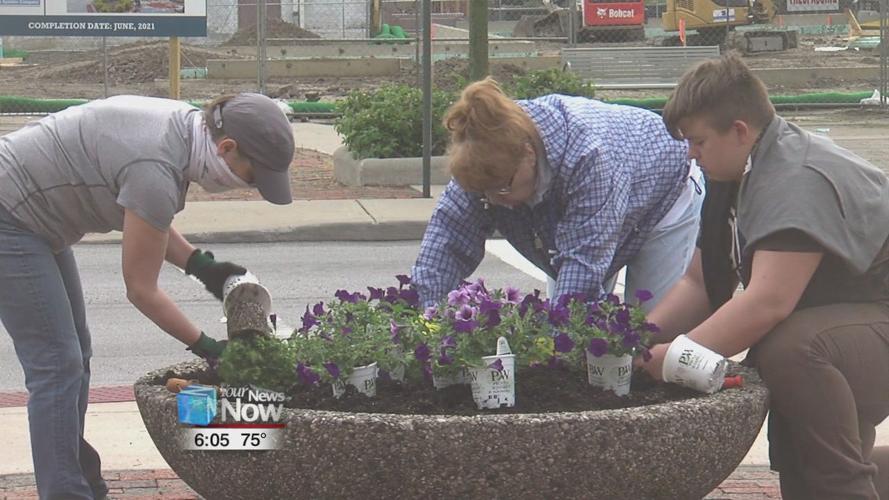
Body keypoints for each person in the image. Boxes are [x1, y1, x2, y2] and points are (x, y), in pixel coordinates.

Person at [0, 92, 295, 499]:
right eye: (253, 177)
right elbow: (141, 289)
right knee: (56, 364)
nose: (252, 187)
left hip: (32, 215)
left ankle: (78, 477)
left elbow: (146, 217)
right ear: (226, 147)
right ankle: (66, 492)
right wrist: (210, 348)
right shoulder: (157, 166)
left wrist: (204, 268)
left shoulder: (184, 131)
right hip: (10, 216)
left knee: (74, 355)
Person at [638, 53, 889, 499]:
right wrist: (634, 341)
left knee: (792, 349)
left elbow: (767, 303)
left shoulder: (793, 179)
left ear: (739, 131)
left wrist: (675, 356)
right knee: (803, 467)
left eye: (698, 141)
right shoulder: (735, 173)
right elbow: (699, 284)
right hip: (860, 317)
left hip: (870, 319)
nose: (690, 153)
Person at [411, 77, 704, 311]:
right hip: (602, 203)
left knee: (650, 323)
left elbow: (583, 264)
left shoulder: (588, 156)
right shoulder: (482, 154)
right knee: (570, 320)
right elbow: (445, 243)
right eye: (484, 193)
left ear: (528, 154)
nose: (494, 200)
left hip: (663, 193)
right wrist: (426, 318)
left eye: (503, 187)